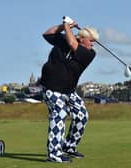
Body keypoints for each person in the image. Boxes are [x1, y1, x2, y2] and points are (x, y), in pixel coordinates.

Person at [40, 17, 99, 163]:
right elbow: (47, 34)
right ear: (82, 38)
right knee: (59, 114)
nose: (93, 44)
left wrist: (67, 26)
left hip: (69, 91)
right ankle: (54, 154)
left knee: (82, 115)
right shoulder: (63, 41)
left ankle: (69, 146)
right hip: (51, 88)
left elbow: (73, 43)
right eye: (91, 40)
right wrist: (64, 26)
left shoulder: (89, 54)